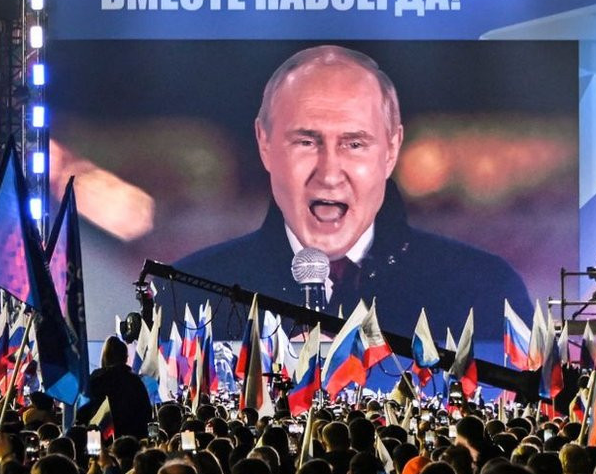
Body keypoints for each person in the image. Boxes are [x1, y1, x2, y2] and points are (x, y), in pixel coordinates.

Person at [168, 44, 532, 345]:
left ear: (391, 151)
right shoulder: (190, 294)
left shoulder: (482, 291)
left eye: (354, 144)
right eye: (306, 142)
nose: (329, 174)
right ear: (264, 144)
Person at [77, 336, 153, 439]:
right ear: (125, 357)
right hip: (133, 441)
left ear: (104, 357)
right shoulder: (135, 382)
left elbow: (82, 413)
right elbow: (147, 414)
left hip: (98, 442)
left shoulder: (96, 381)